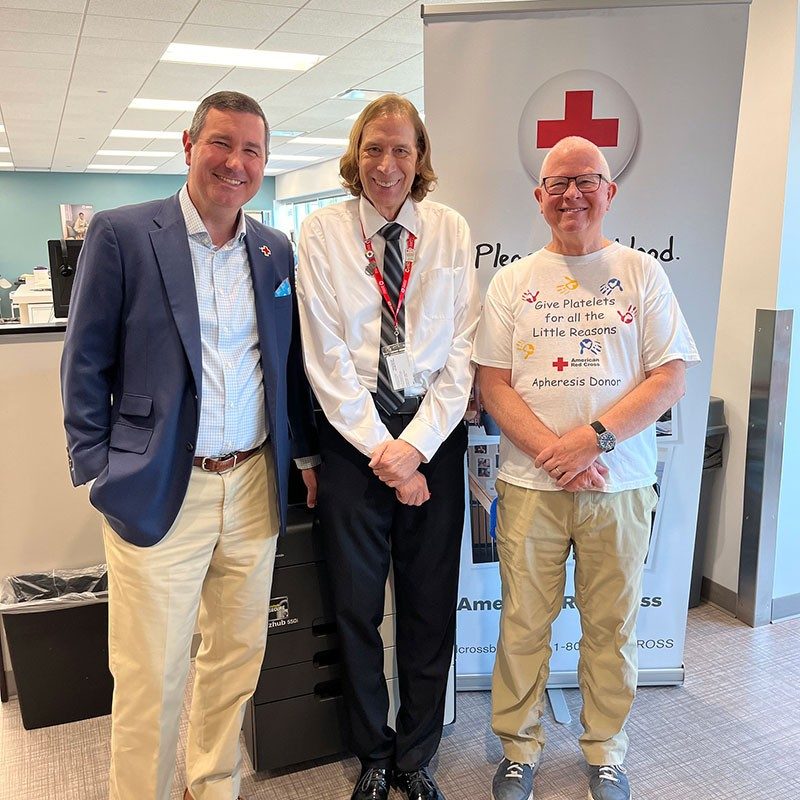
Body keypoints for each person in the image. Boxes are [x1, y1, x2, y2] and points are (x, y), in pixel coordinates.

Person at [61, 91, 318, 800]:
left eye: (252, 151)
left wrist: (301, 460)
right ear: (188, 145)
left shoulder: (273, 250)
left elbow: (284, 363)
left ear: (265, 163)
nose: (236, 163)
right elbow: (84, 363)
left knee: (235, 658)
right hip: (158, 486)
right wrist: (97, 468)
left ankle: (212, 785)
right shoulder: (123, 235)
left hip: (252, 484)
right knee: (151, 670)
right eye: (222, 144)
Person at [473, 136, 699, 800]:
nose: (572, 194)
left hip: (620, 485)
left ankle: (605, 750)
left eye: (586, 180)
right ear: (539, 197)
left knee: (612, 626)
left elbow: (670, 380)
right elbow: (493, 384)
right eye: (558, 183)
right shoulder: (513, 281)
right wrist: (559, 453)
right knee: (523, 624)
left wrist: (592, 442)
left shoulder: (641, 273)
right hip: (530, 487)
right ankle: (519, 748)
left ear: (610, 191)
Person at [296, 94, 480, 800]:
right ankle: (373, 752)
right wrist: (385, 452)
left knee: (432, 606)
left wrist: (419, 448)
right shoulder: (322, 232)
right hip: (354, 438)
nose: (387, 164)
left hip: (433, 434)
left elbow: (463, 350)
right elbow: (325, 355)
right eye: (374, 148)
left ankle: (417, 757)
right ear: (355, 154)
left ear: (420, 157)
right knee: (356, 606)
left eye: (402, 149)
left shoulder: (451, 229)